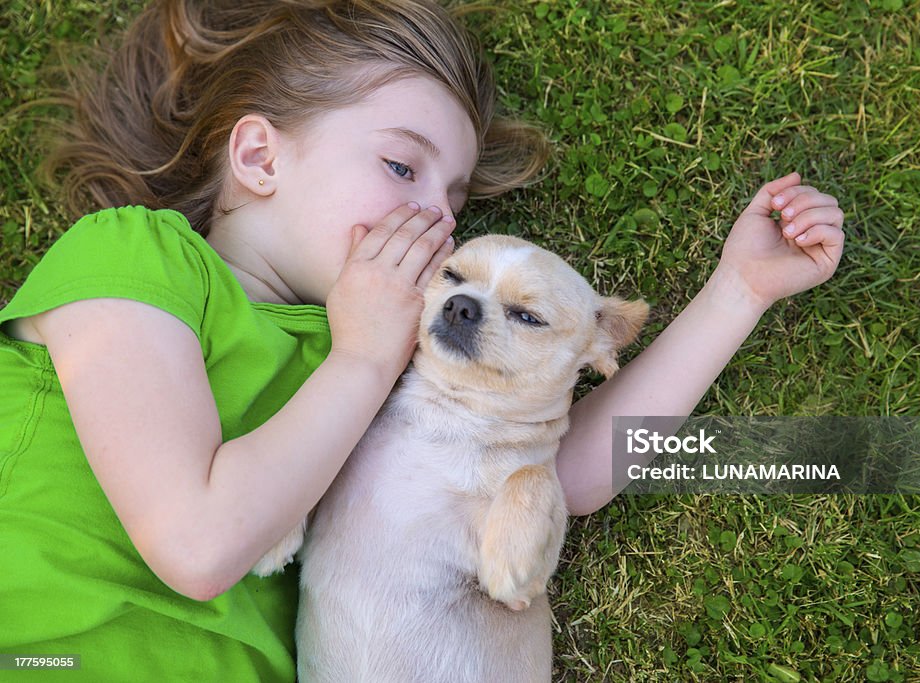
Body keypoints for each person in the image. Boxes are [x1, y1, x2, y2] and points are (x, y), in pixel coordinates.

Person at [0, 0, 844, 680]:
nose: (438, 218)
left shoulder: (392, 344)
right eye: (403, 167)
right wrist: (361, 357)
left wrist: (738, 292)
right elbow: (198, 542)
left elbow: (564, 466)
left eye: (454, 198)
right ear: (259, 156)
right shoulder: (134, 258)